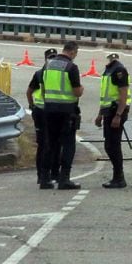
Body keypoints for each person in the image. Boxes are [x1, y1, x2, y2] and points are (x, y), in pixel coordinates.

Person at [41, 40, 84, 190]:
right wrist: (82, 89)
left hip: (49, 109)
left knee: (50, 144)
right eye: (76, 54)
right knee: (68, 145)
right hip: (66, 111)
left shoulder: (48, 64)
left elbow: (43, 87)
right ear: (72, 52)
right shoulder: (71, 67)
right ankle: (64, 178)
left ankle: (45, 179)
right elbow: (77, 91)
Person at [95, 51, 131, 188]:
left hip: (115, 112)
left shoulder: (119, 70)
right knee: (109, 145)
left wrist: (118, 115)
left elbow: (123, 94)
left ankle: (119, 177)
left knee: (113, 145)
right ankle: (117, 176)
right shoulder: (108, 71)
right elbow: (105, 96)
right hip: (108, 112)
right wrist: (100, 114)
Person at [25, 48, 58, 189]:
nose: (52, 60)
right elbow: (29, 91)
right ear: (45, 59)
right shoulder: (39, 74)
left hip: (53, 113)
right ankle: (42, 175)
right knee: (43, 144)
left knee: (54, 144)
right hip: (41, 112)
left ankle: (53, 173)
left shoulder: (58, 74)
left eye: (54, 57)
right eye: (50, 57)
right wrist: (32, 106)